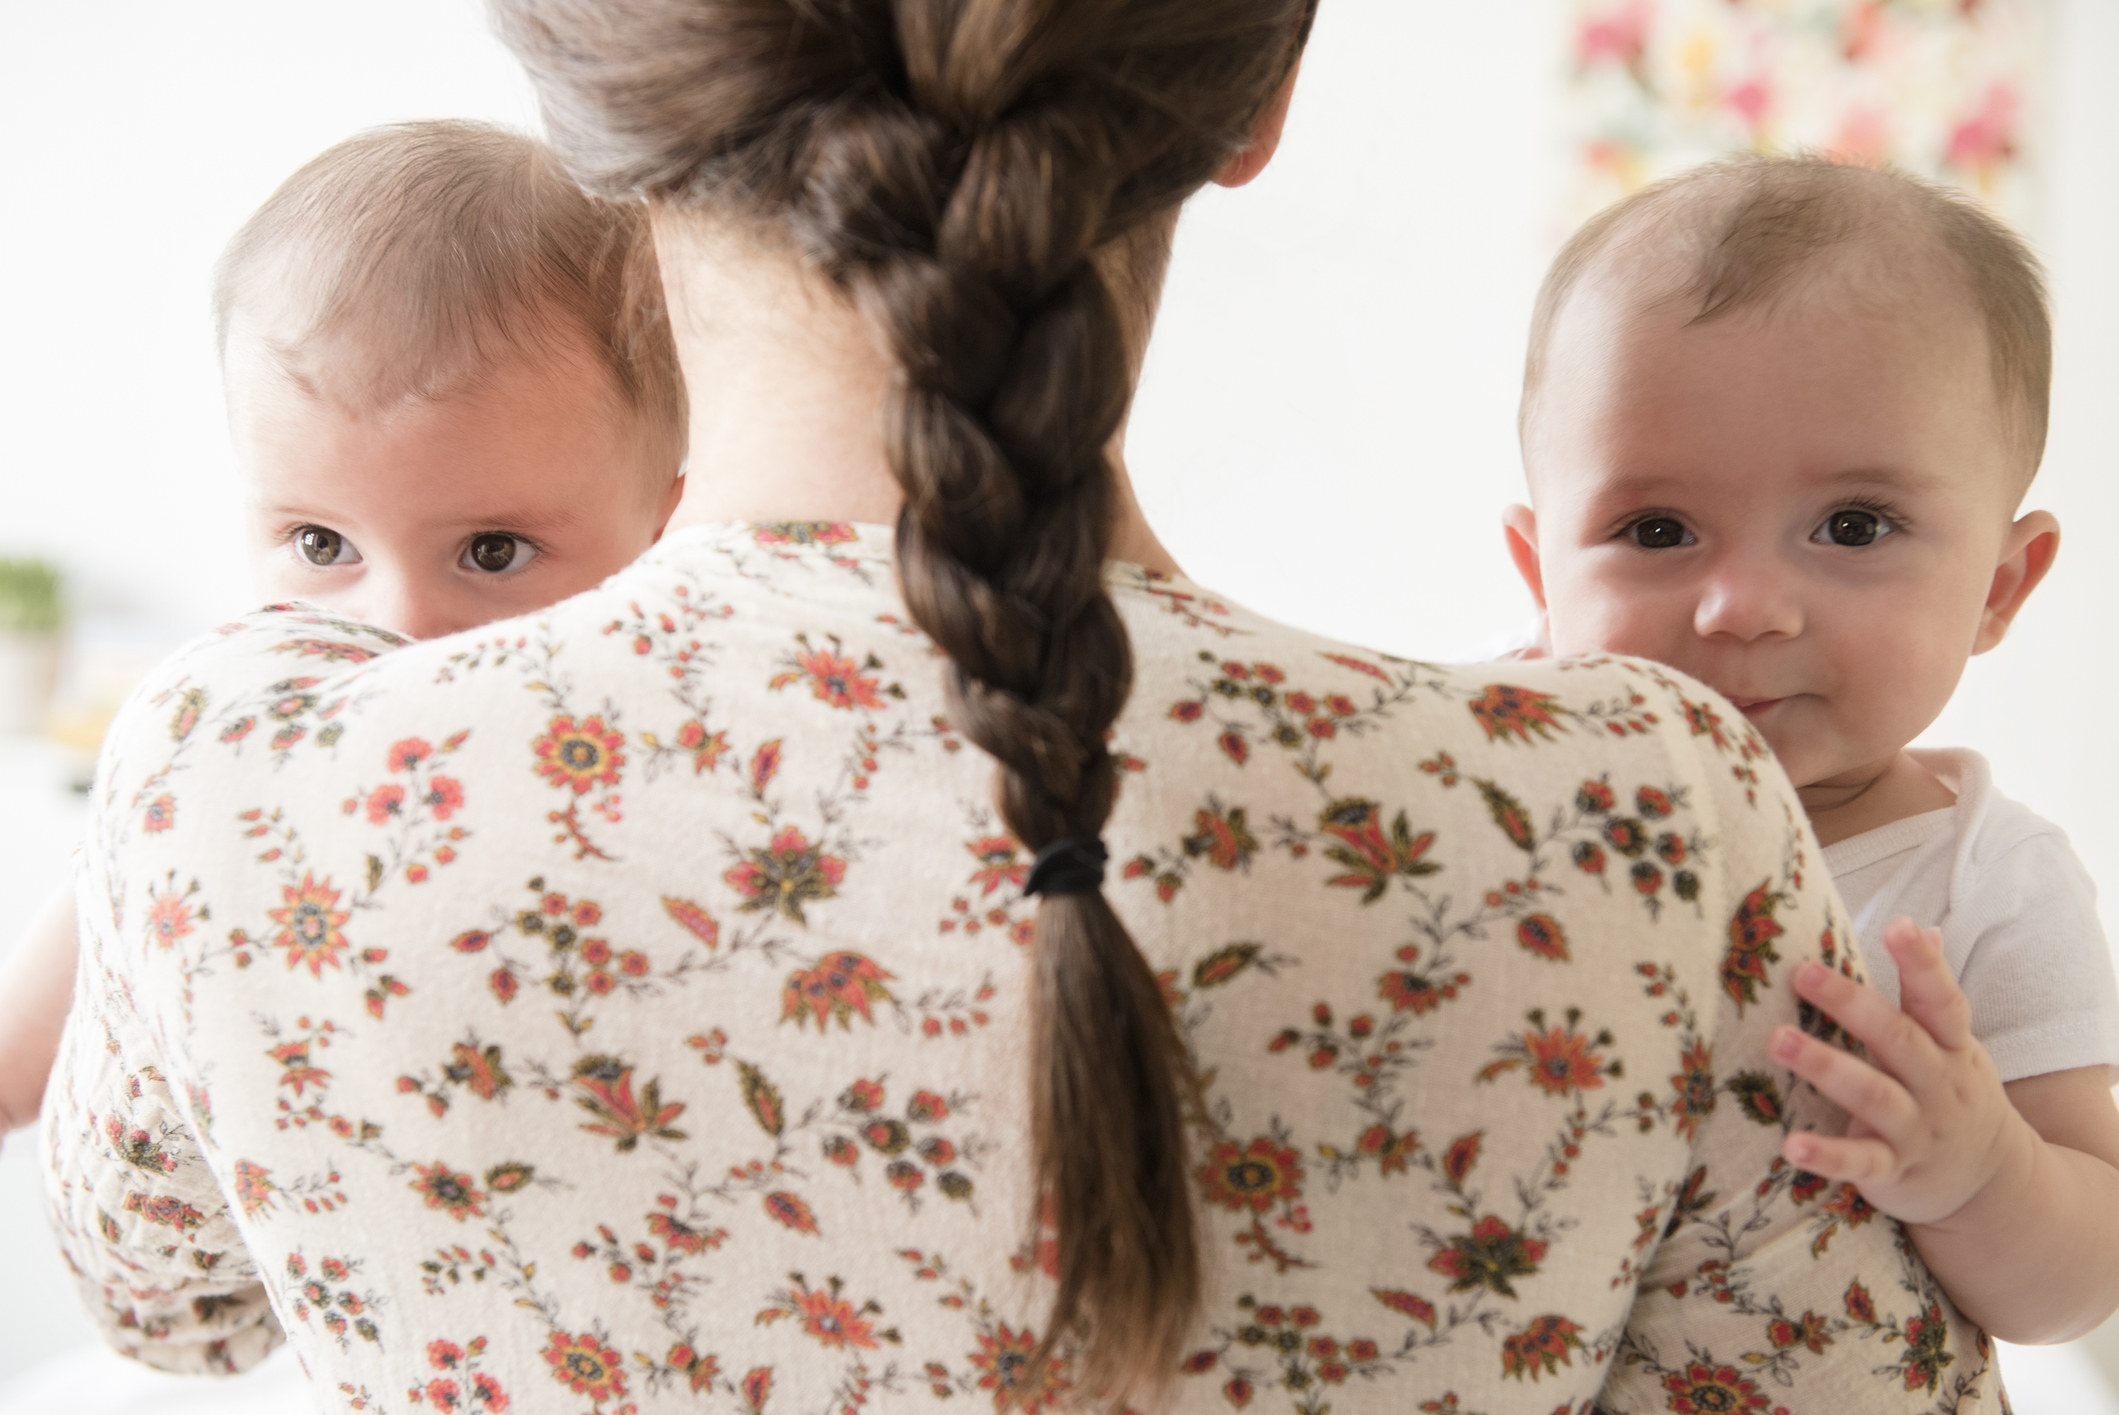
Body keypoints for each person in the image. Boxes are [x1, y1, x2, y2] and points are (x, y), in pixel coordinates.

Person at [45, 5, 2001, 1412]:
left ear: (574, 76)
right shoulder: (1639, 817)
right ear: (1259, 88)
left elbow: (171, 1307)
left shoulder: (236, 786)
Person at [1502, 154, 2119, 1347]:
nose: (1743, 606)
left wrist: (1979, 1168)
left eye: (1851, 526)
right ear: (1540, 578)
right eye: (1655, 529)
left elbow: (2086, 1280)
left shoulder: (1982, 883)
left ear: (1999, 586)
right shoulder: (1493, 758)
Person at [0, 118, 685, 1147]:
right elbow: (19, 1061)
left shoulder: (673, 748)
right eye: (320, 542)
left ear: (663, 531)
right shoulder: (223, 760)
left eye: (491, 551)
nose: (396, 626)